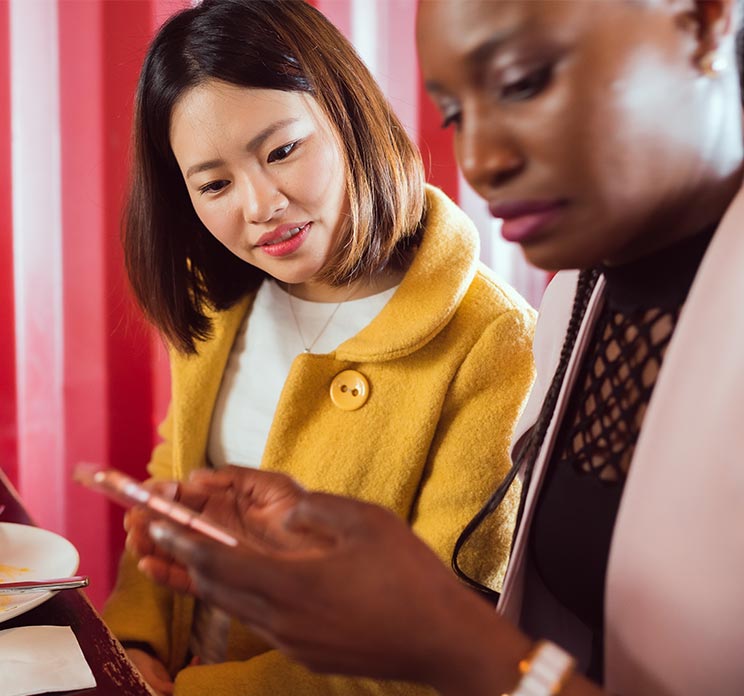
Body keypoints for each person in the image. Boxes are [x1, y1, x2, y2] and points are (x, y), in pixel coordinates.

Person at [126, 0, 744, 694]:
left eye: (522, 81)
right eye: (453, 113)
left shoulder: (506, 332)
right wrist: (131, 650)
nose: (478, 161)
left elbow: (478, 634)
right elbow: (553, 647)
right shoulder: (580, 294)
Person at [103, 1, 537, 695]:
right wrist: (130, 649)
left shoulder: (493, 341)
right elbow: (171, 497)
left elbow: (439, 637)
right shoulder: (222, 301)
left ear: (347, 115)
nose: (260, 204)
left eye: (281, 151)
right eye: (214, 184)